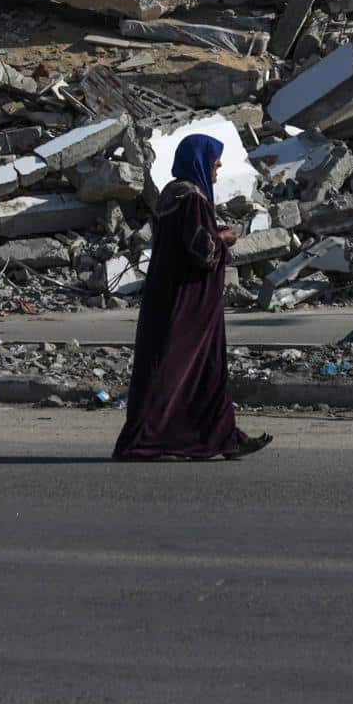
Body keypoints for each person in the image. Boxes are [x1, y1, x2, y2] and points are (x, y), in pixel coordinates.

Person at [113, 134, 273, 462]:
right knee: (178, 367)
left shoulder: (171, 194)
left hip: (171, 295)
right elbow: (203, 251)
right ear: (200, 162)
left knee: (204, 369)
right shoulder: (193, 198)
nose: (218, 169)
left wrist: (213, 232)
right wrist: (225, 236)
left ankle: (223, 438)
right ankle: (145, 441)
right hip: (189, 301)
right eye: (214, 163)